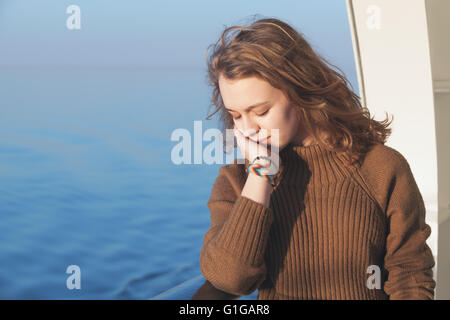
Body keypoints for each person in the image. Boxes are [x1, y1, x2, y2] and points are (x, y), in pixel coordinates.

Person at [193, 17, 436, 300]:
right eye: (236, 115)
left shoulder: (381, 167)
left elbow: (409, 274)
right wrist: (261, 178)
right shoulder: (236, 182)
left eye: (260, 111)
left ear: (299, 92)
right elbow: (229, 280)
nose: (246, 129)